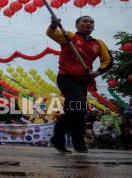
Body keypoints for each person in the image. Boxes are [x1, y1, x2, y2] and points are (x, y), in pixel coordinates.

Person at [47, 16, 113, 153]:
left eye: (91, 22)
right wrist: (53, 25)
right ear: (77, 25)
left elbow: (108, 61)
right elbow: (52, 34)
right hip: (67, 77)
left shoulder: (98, 43)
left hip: (83, 81)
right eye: (85, 21)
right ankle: (72, 140)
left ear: (93, 26)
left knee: (77, 110)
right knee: (78, 103)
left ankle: (65, 139)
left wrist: (98, 72)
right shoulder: (69, 36)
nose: (88, 23)